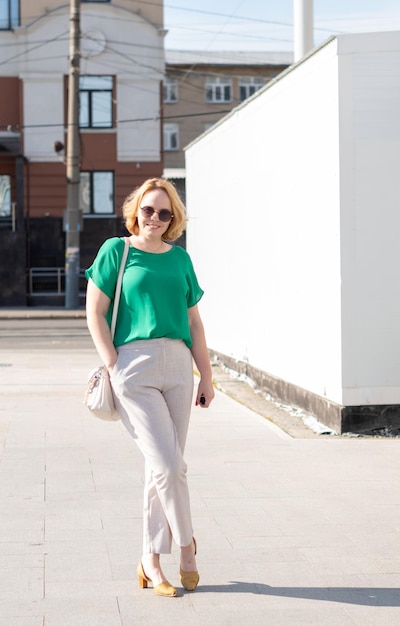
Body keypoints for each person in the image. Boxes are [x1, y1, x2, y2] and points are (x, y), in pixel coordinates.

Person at [85, 177, 214, 597]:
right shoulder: (116, 251)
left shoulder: (180, 260)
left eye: (164, 212)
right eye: (148, 210)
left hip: (178, 366)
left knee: (161, 468)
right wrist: (113, 363)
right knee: (169, 466)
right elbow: (95, 312)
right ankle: (187, 547)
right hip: (133, 367)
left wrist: (206, 376)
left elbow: (194, 322)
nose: (154, 218)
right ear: (135, 210)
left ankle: (150, 560)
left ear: (173, 218)